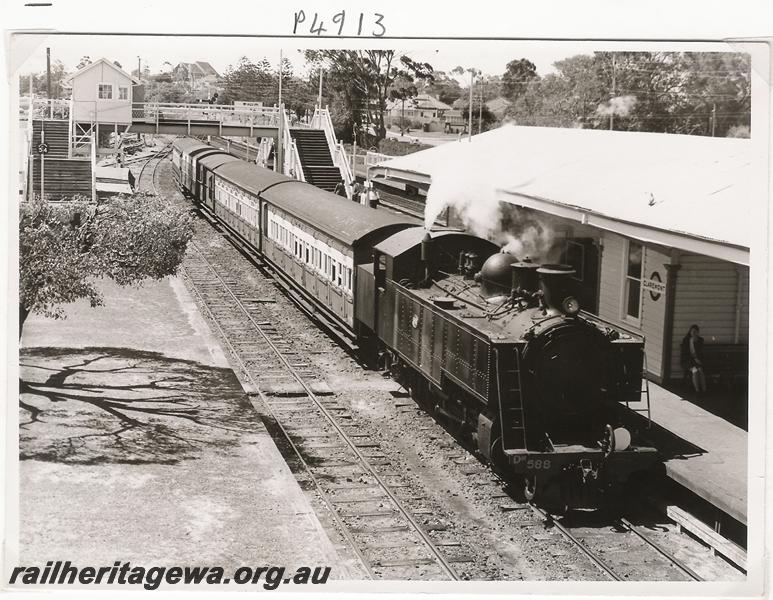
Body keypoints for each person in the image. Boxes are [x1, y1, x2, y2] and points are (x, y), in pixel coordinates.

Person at [681, 324, 707, 393]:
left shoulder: (700, 340)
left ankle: (704, 390)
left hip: (697, 361)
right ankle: (697, 390)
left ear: (698, 332)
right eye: (692, 331)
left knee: (701, 370)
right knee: (695, 371)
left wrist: (696, 342)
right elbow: (685, 354)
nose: (694, 333)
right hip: (687, 361)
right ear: (690, 332)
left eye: (695, 332)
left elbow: (700, 353)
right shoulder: (686, 340)